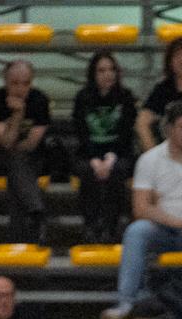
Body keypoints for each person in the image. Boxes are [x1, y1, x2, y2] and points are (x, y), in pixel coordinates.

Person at [105, 103, 182, 319]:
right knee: (136, 231)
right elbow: (140, 208)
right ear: (169, 129)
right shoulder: (149, 159)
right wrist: (176, 222)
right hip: (162, 227)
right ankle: (126, 303)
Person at [0, 61, 54, 244]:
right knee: (16, 162)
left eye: (25, 83)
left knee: (17, 171)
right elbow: (7, 143)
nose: (20, 89)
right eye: (15, 83)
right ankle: (36, 212)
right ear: (5, 81)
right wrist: (18, 115)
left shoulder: (40, 100)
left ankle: (19, 237)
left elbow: (31, 144)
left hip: (32, 158)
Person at [73, 52, 139, 245]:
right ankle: (91, 225)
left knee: (118, 170)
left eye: (111, 70)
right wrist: (95, 160)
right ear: (93, 74)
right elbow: (82, 133)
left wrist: (110, 159)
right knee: (86, 171)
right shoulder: (82, 97)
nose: (107, 74)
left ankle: (111, 227)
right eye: (101, 70)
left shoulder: (126, 97)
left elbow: (126, 134)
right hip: (88, 153)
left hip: (120, 153)